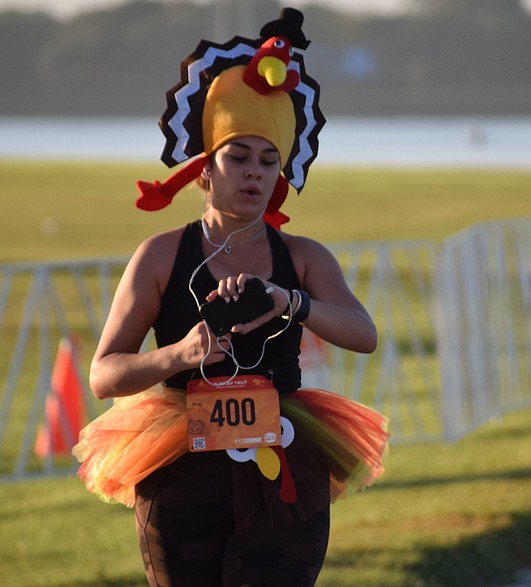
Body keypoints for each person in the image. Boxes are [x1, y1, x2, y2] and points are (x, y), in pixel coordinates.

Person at [72, 8, 388, 587]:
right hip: (179, 469)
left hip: (283, 461)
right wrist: (178, 355)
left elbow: (364, 334)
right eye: (237, 157)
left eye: (269, 161)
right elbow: (104, 375)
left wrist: (291, 303)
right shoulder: (161, 255)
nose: (254, 175)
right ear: (203, 171)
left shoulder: (304, 256)